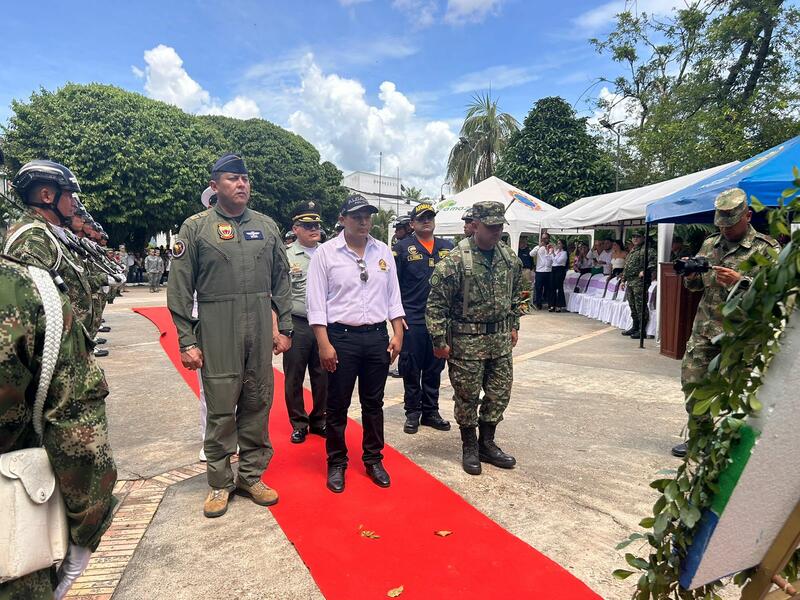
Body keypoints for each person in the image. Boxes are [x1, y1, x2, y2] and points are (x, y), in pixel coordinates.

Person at [167, 153, 293, 518]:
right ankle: (220, 483)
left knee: (257, 403)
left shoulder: (266, 227)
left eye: (245, 179)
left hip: (257, 325)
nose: (241, 184)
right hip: (217, 327)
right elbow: (178, 289)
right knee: (221, 409)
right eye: (232, 178)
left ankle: (251, 476)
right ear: (214, 186)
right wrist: (186, 340)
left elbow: (282, 280)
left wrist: (284, 326)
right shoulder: (195, 228)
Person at [0, 256, 117, 600]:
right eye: (71, 200)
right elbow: (74, 419)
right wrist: (87, 526)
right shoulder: (21, 285)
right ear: (48, 196)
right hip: (11, 527)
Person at [306, 194, 405, 494]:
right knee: (337, 405)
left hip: (376, 338)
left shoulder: (383, 251)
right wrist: (323, 343)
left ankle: (373, 459)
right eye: (357, 216)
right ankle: (337, 462)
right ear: (342, 219)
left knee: (373, 404)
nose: (364, 221)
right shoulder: (325, 254)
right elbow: (316, 304)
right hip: (341, 339)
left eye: (368, 215)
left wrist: (397, 334)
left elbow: (393, 298)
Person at [671, 188, 779, 457]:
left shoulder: (766, 249)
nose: (726, 230)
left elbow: (775, 297)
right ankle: (700, 440)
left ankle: (728, 446)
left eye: (731, 225)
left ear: (748, 216)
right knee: (693, 384)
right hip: (706, 331)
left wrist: (741, 283)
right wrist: (691, 273)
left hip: (741, 337)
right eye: (721, 225)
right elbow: (697, 287)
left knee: (735, 394)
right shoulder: (710, 244)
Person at [426, 201, 523, 475]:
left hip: (500, 342)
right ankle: (469, 445)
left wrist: (514, 323)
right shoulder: (456, 261)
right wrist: (438, 340)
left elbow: (517, 293)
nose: (496, 232)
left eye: (499, 226)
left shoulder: (508, 258)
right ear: (475, 225)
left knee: (499, 394)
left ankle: (487, 443)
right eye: (491, 226)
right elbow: (436, 305)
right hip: (466, 343)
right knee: (467, 396)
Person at [3, 160, 96, 334]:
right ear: (46, 196)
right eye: (69, 195)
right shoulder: (32, 240)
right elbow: (31, 313)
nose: (75, 203)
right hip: (54, 353)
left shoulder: (48, 234)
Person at [394, 202, 453, 435]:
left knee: (434, 366)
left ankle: (431, 411)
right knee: (411, 367)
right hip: (413, 318)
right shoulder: (401, 249)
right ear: (412, 224)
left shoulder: (448, 248)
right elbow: (392, 287)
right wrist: (397, 317)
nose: (426, 221)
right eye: (421, 218)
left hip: (440, 320)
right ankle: (412, 412)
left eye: (430, 217)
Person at [283, 201, 328, 444]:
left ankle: (319, 420)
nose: (314, 229)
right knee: (294, 376)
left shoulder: (330, 252)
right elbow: (278, 295)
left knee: (324, 376)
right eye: (307, 225)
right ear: (296, 228)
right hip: (297, 323)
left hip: (325, 324)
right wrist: (280, 328)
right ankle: (299, 423)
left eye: (316, 225)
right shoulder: (286, 255)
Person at [620, 232, 656, 338]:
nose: (635, 238)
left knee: (640, 306)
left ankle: (642, 330)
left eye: (638, 237)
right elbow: (626, 267)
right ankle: (635, 326)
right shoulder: (633, 250)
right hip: (630, 282)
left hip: (640, 282)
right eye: (633, 236)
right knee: (632, 306)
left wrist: (645, 271)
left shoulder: (648, 250)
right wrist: (623, 280)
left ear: (643, 238)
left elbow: (653, 263)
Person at [529, 232, 553, 310]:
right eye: (542, 238)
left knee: (548, 288)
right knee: (538, 288)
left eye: (545, 238)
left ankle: (549, 303)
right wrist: (538, 247)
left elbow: (551, 258)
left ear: (548, 239)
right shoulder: (538, 247)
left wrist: (548, 250)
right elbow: (531, 254)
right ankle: (539, 304)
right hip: (539, 271)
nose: (544, 239)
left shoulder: (551, 247)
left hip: (548, 270)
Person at [549, 238, 569, 312]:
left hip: (560, 269)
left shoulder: (564, 253)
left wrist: (553, 254)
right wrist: (552, 253)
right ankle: (552, 304)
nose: (558, 245)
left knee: (559, 287)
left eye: (559, 243)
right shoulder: (556, 251)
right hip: (553, 269)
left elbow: (558, 260)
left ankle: (559, 305)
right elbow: (551, 259)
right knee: (552, 287)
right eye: (557, 243)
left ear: (563, 245)